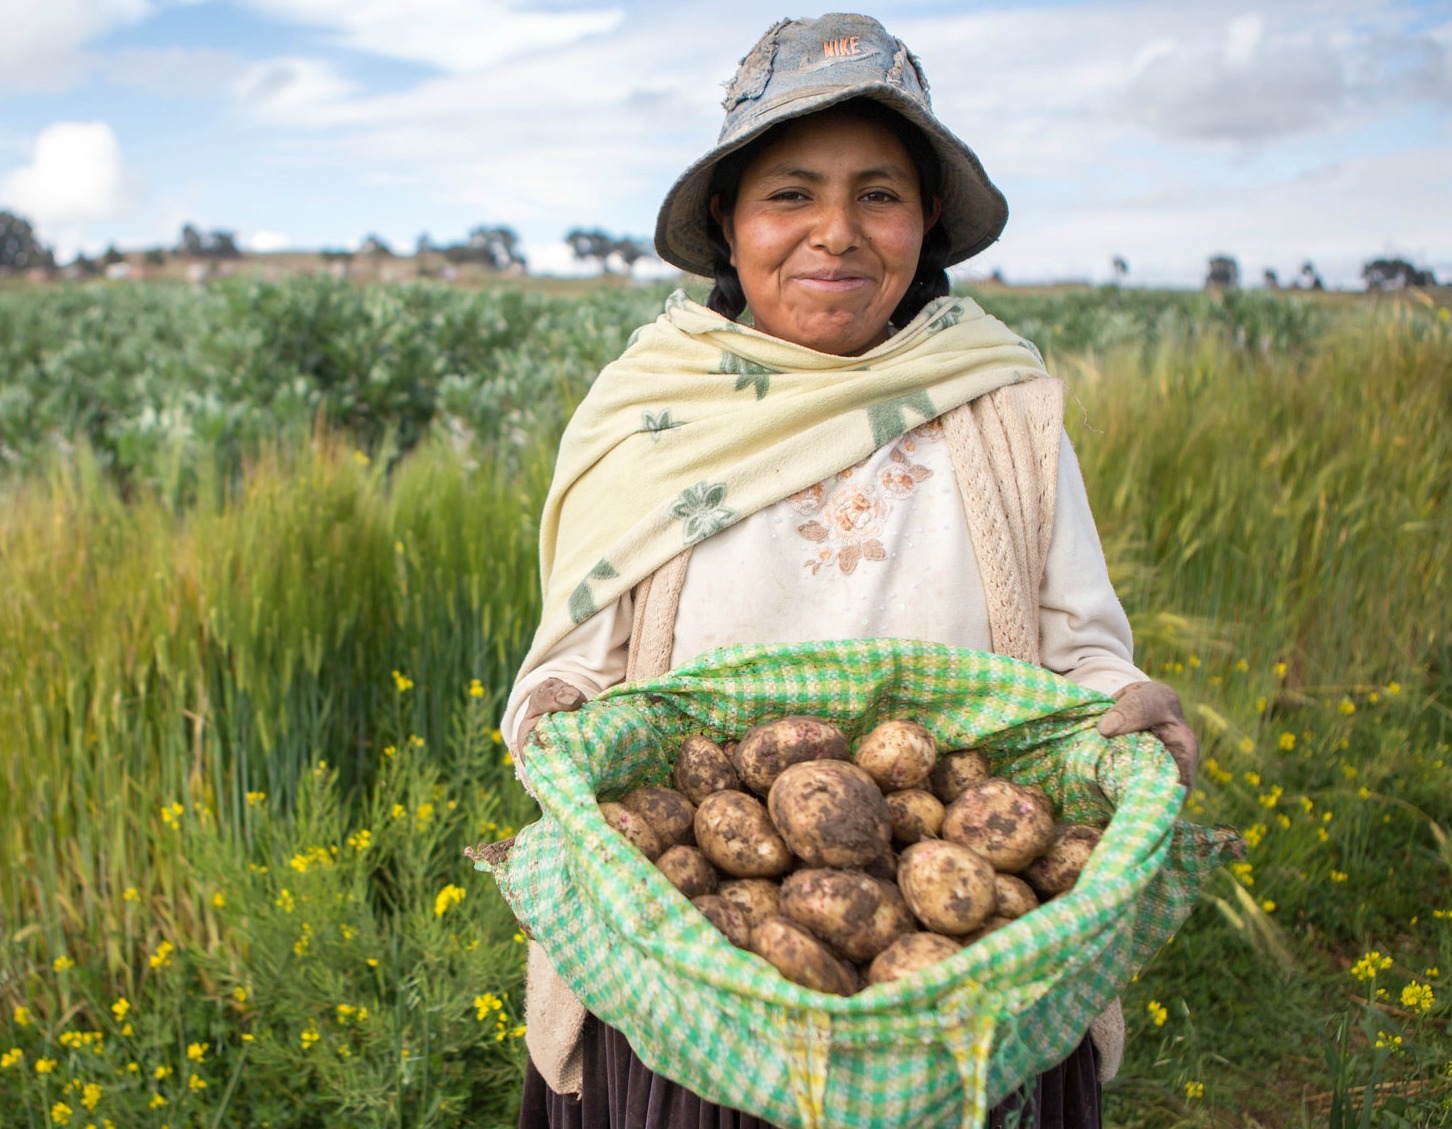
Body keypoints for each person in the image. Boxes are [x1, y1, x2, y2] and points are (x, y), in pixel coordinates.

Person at [499, 13, 1199, 1129]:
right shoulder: (646, 411)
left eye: (878, 193)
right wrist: (565, 740)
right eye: (789, 194)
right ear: (727, 223)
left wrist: (1124, 704)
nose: (835, 232)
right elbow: (569, 670)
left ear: (926, 224)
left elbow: (1077, 647)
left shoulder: (1001, 398)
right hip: (695, 988)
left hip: (958, 997)